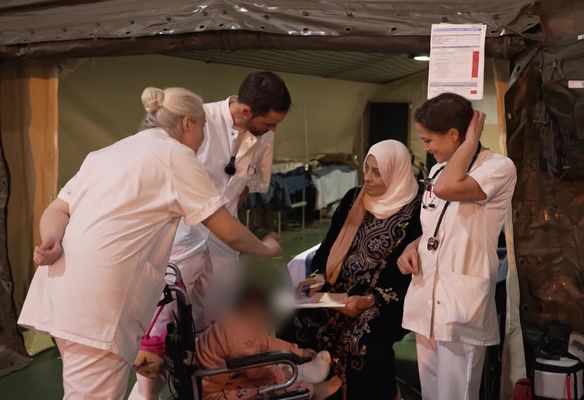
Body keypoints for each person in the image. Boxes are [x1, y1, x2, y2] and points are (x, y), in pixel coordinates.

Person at [18, 86, 281, 400]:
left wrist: (51, 239)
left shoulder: (109, 153)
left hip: (62, 291)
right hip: (99, 305)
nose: (202, 138)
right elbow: (227, 230)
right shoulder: (175, 156)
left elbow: (58, 209)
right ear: (188, 123)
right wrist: (265, 249)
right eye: (203, 129)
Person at [130, 71, 291, 399]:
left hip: (222, 250)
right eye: (269, 123)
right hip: (178, 246)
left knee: (211, 340)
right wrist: (260, 247)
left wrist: (234, 227)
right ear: (245, 111)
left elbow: (243, 188)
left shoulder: (263, 138)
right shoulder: (195, 123)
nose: (272, 131)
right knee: (163, 343)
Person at [279, 140, 422, 400]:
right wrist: (317, 278)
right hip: (340, 290)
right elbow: (330, 244)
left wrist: (370, 299)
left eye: (376, 172)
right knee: (295, 320)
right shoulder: (354, 198)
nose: (367, 177)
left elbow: (411, 273)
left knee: (362, 338)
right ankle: (310, 391)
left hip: (388, 299)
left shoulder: (418, 209)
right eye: (366, 168)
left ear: (397, 172)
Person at [397, 93, 517, 400]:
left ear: (454, 135)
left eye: (428, 140)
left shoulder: (498, 168)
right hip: (428, 299)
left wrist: (469, 143)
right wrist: (413, 246)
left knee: (456, 394)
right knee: (431, 393)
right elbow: (436, 226)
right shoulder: (440, 170)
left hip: (461, 305)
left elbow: (449, 190)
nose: (425, 148)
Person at [196, 287, 342, 400]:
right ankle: (314, 391)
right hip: (214, 393)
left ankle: (300, 372)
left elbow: (266, 342)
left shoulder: (236, 322)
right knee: (275, 385)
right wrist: (280, 375)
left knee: (268, 364)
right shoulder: (238, 336)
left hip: (223, 377)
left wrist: (298, 351)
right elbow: (255, 369)